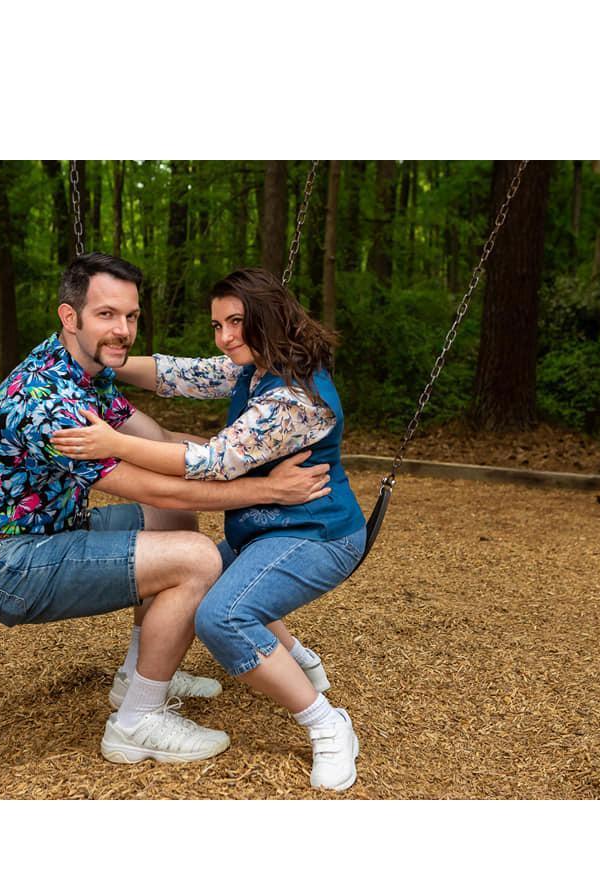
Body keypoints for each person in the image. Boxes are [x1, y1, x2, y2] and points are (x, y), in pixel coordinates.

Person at [0, 254, 332, 767]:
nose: (122, 330)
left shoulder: (85, 370)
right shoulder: (45, 399)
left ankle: (137, 674)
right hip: (5, 563)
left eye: (130, 316)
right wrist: (270, 490)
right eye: (106, 315)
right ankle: (137, 722)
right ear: (71, 317)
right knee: (197, 559)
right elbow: (168, 487)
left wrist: (253, 459)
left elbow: (165, 444)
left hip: (49, 528)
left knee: (169, 519)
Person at [51, 267, 367, 791]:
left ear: (271, 316)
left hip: (317, 533)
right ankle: (295, 658)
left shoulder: (293, 399)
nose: (225, 338)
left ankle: (327, 724)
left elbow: (216, 461)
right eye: (218, 326)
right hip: (268, 529)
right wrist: (106, 360)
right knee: (201, 570)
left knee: (222, 617)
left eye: (237, 323)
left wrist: (116, 443)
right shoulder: (257, 366)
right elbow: (180, 374)